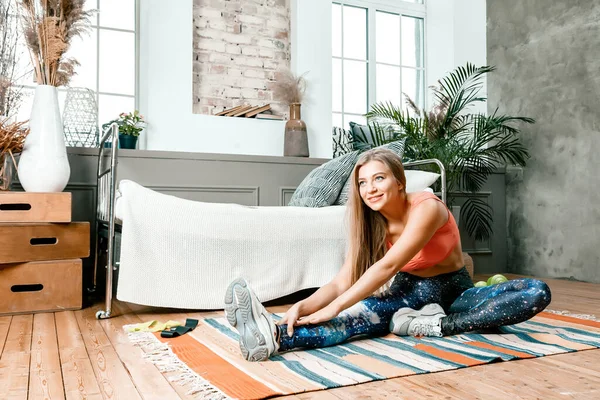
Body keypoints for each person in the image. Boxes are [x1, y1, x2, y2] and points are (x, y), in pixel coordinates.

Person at [224, 148, 551, 362]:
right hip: (409, 291)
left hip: (455, 292)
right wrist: (304, 307)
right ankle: (273, 335)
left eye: (379, 178)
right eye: (363, 183)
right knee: (356, 320)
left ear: (399, 182)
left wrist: (336, 305)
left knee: (536, 293)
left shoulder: (427, 207)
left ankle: (431, 326)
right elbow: (342, 282)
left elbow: (390, 264)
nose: (370, 189)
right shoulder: (369, 224)